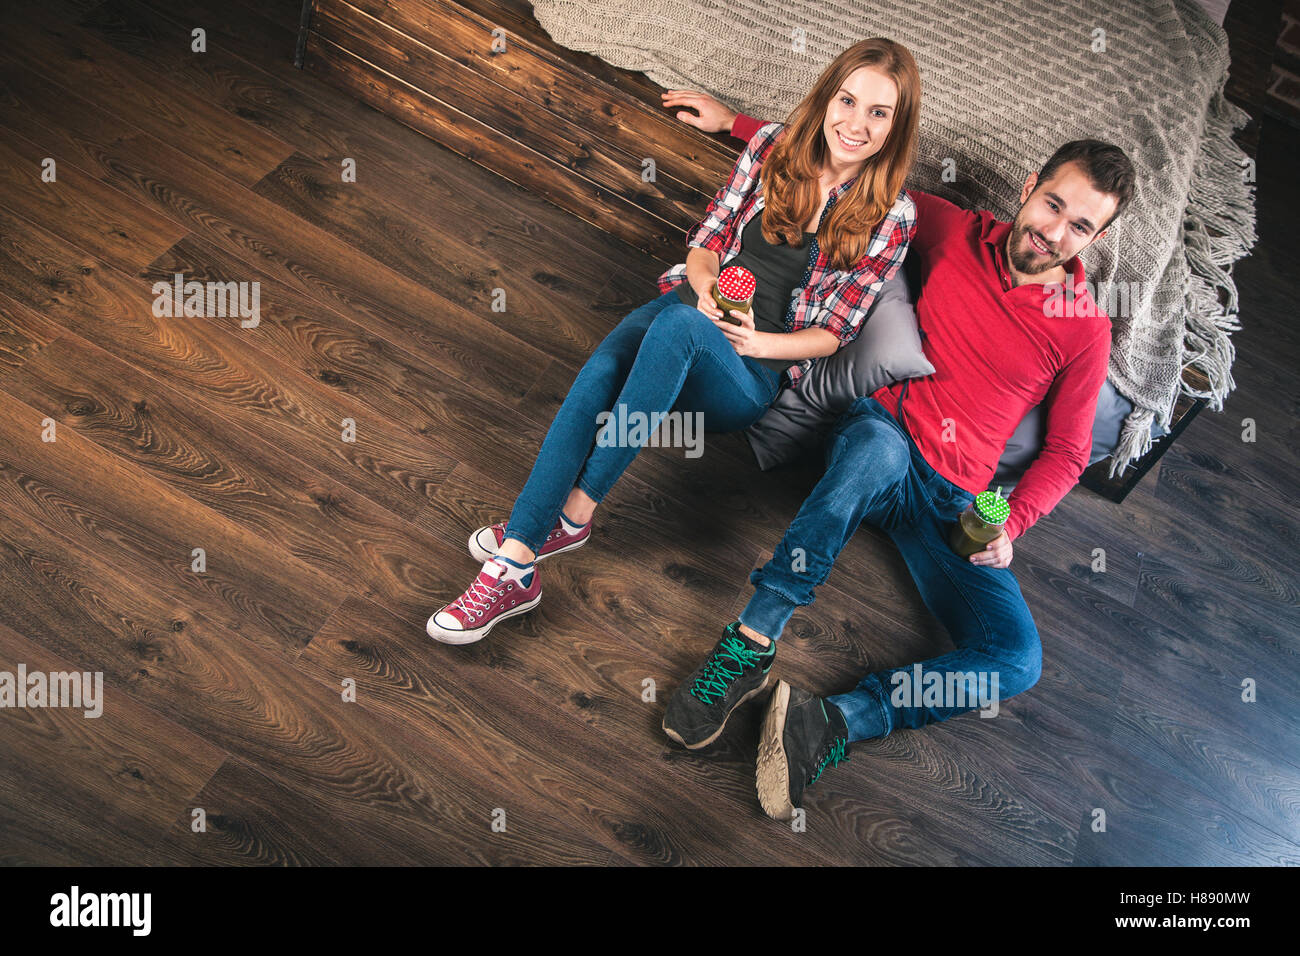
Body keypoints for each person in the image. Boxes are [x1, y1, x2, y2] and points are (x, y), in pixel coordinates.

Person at [659, 93, 1134, 820]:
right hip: (882, 441)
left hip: (959, 500)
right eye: (1052, 205)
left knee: (1017, 659)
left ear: (1097, 238)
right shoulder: (948, 228)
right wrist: (736, 126)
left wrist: (1012, 520)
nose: (1054, 232)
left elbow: (1070, 451)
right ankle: (751, 642)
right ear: (1031, 186)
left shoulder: (1084, 326)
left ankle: (836, 720)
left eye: (1080, 226)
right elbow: (849, 173)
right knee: (875, 453)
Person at [427, 39, 922, 644]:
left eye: (879, 113)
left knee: (677, 327)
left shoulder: (892, 214)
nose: (856, 123)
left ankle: (575, 512)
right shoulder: (772, 148)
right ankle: (517, 559)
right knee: (607, 368)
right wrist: (707, 286)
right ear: (827, 98)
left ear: (896, 129)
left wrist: (757, 343)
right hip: (687, 306)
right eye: (848, 100)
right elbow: (707, 238)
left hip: (746, 372)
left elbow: (835, 333)